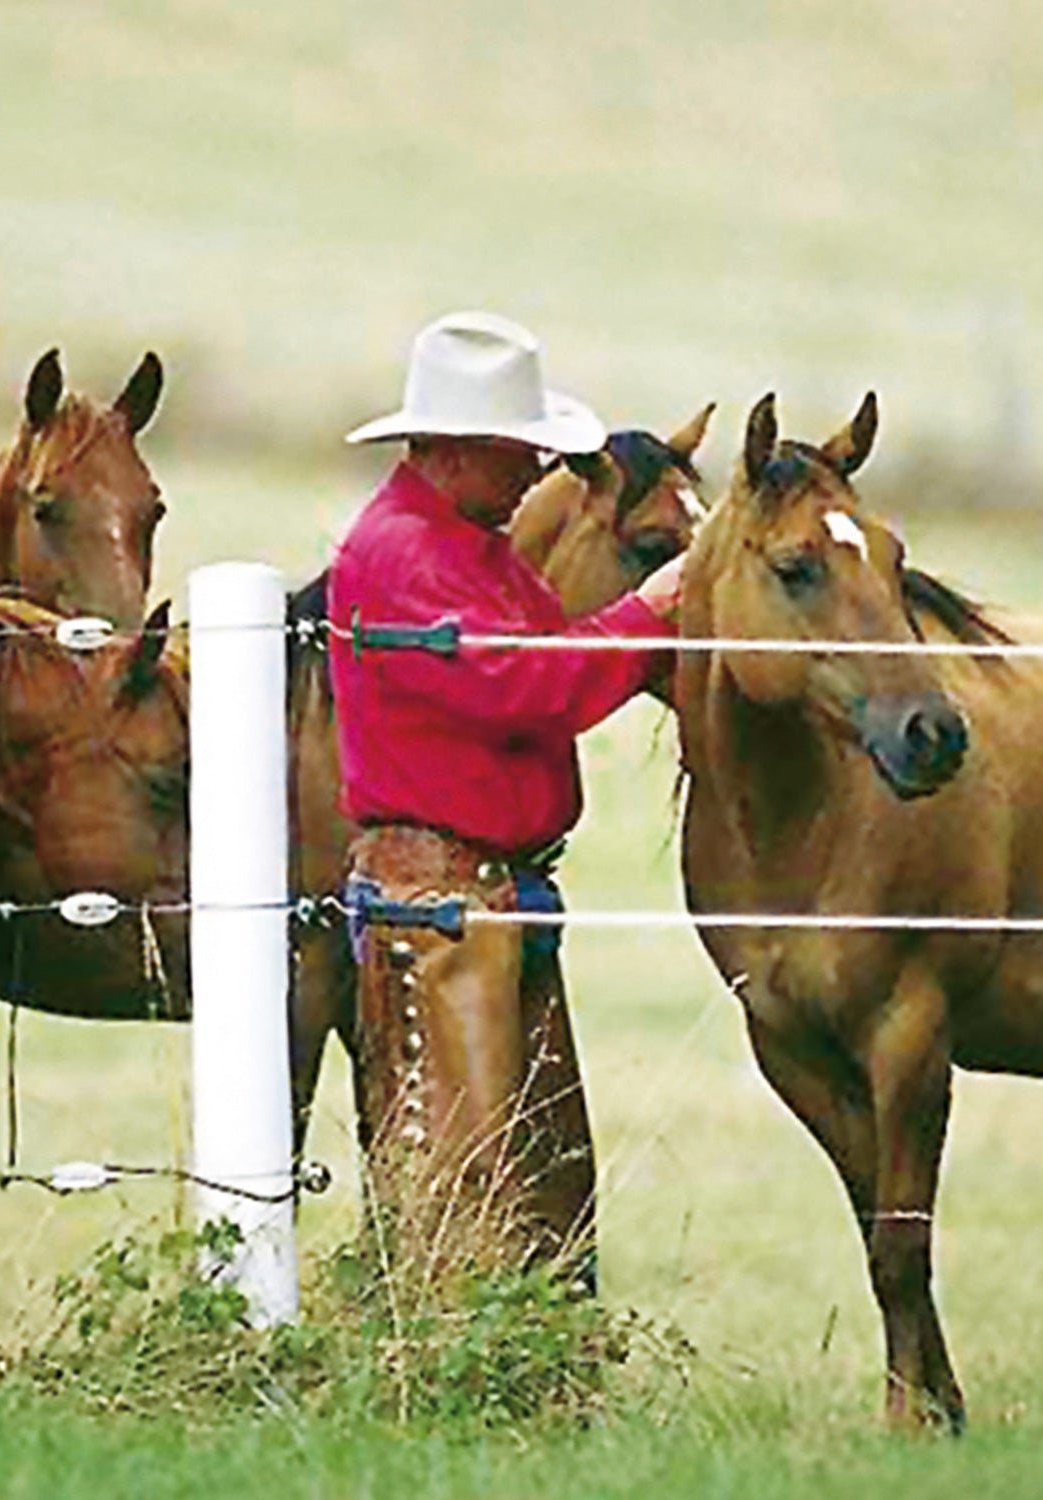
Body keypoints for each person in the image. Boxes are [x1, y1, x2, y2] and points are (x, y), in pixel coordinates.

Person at [327, 311, 682, 1283]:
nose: (537, 471)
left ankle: (525, 1380)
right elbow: (526, 686)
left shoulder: (467, 548)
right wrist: (650, 612)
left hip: (488, 900)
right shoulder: (404, 555)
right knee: (470, 1167)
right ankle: (460, 1372)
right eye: (518, 452)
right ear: (453, 449)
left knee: (535, 1166)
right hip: (448, 906)